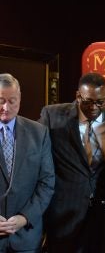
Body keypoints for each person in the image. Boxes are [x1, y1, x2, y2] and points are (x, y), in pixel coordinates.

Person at [39, 72, 105, 253]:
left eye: (100, 102)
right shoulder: (52, 116)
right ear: (77, 96)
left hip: (103, 212)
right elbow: (37, 157)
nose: (94, 107)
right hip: (64, 213)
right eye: (88, 101)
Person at [0, 73, 54, 252]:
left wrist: (25, 217)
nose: (6, 107)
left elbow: (47, 182)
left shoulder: (39, 133)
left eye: (12, 101)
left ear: (20, 99)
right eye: (1, 100)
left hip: (26, 236)